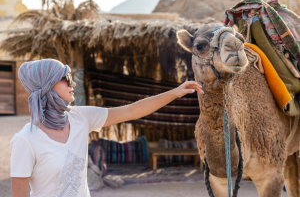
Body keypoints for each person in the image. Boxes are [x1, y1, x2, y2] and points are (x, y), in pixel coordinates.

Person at [10, 59, 203, 197]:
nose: (73, 82)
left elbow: (131, 111)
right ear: (48, 86)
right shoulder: (26, 140)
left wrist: (175, 93)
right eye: (66, 78)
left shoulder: (80, 117)